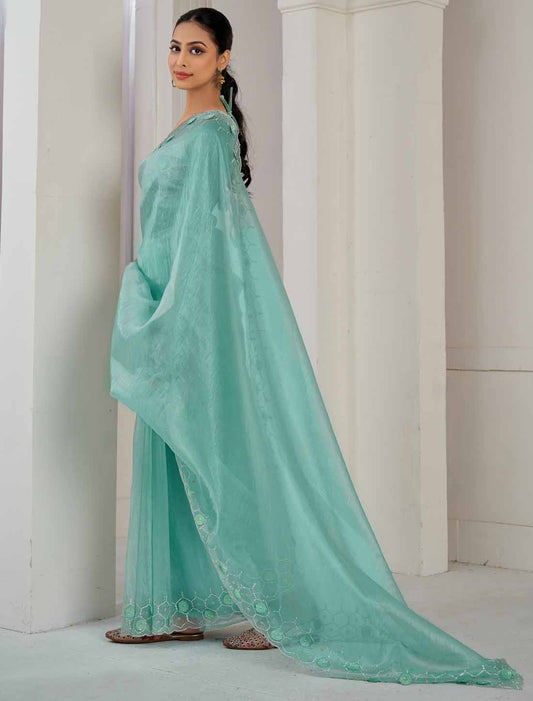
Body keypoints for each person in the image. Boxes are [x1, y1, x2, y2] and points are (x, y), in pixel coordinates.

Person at [106, 6, 523, 689]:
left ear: (223, 60)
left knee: (235, 461)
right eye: (175, 47)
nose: (180, 60)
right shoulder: (187, 129)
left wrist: (170, 316)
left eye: (197, 49)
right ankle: (171, 607)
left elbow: (209, 249)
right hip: (164, 306)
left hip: (192, 318)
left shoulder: (209, 137)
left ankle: (281, 608)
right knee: (178, 452)